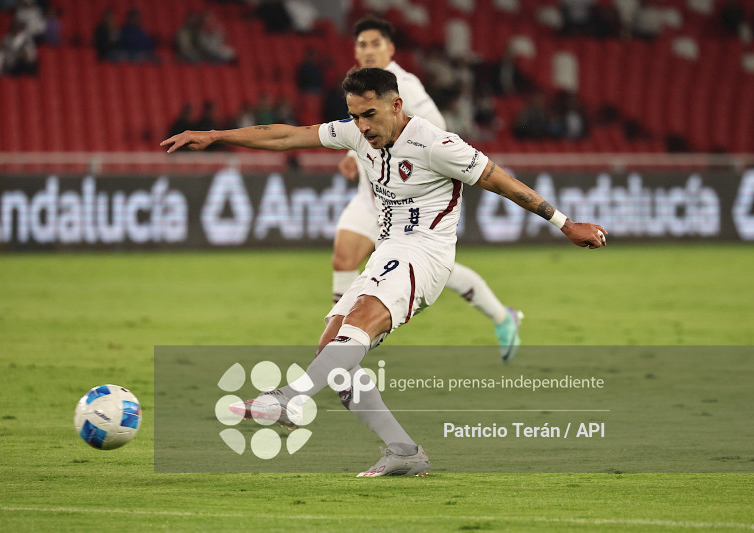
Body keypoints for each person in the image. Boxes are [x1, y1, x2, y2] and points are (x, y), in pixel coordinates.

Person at [161, 67, 607, 477]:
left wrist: (565, 223)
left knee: (352, 331)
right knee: (331, 351)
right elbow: (285, 137)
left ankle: (285, 399)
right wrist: (216, 135)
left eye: (370, 115)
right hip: (390, 252)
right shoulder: (359, 135)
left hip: (426, 255)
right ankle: (404, 452)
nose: (362, 127)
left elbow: (499, 180)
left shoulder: (437, 144)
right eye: (355, 117)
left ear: (396, 105)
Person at [336, 17, 523, 363]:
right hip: (371, 197)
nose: (368, 50)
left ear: (390, 49)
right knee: (344, 256)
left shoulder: (405, 86)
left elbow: (435, 131)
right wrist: (353, 151)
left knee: (436, 270)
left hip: (414, 198)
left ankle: (501, 316)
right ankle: (341, 338)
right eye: (362, 44)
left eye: (376, 43)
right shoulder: (359, 84)